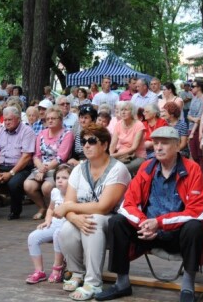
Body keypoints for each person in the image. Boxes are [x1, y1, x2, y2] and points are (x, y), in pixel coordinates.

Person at [96, 127, 203, 302]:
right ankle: (122, 283)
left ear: (177, 146)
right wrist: (144, 223)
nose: (158, 147)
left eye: (164, 143)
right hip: (146, 232)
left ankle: (188, 286)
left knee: (194, 226)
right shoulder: (147, 167)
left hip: (176, 234)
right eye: (156, 143)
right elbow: (128, 204)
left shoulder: (192, 169)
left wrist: (159, 223)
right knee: (117, 221)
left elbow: (197, 211)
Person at [54, 124, 131, 301]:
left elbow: (104, 207)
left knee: (93, 221)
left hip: (116, 220)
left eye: (92, 141)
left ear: (104, 145)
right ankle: (77, 273)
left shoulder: (118, 169)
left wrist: (69, 209)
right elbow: (69, 203)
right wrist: (73, 217)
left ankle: (93, 282)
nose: (86, 145)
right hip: (83, 214)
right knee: (66, 228)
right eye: (84, 141)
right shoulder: (79, 169)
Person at [24, 106, 74, 220]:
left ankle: (53, 210)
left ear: (60, 120)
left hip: (58, 168)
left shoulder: (67, 134)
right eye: (48, 118)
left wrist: (44, 170)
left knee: (47, 187)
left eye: (53, 118)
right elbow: (36, 155)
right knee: (28, 185)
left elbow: (61, 157)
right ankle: (42, 207)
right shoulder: (42, 133)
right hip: (41, 167)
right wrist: (40, 168)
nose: (50, 121)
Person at [26, 164, 72, 284]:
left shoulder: (74, 194)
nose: (60, 181)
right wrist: (47, 220)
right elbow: (51, 208)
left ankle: (58, 267)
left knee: (58, 234)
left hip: (67, 227)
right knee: (33, 237)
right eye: (57, 178)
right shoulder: (55, 192)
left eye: (65, 178)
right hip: (54, 224)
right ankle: (39, 271)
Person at [109, 101, 146, 175]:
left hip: (137, 156)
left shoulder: (139, 125)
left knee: (119, 169)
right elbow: (113, 144)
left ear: (132, 112)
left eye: (126, 110)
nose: (123, 112)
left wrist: (114, 156)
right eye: (122, 110)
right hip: (120, 156)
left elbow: (134, 148)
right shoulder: (118, 124)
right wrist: (110, 154)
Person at [187, 80, 203, 166]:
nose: (191, 88)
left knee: (200, 154)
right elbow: (188, 115)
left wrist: (193, 132)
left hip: (198, 130)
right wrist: (193, 119)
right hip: (191, 128)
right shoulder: (194, 98)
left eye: (193, 86)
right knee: (193, 154)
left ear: (199, 88)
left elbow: (200, 117)